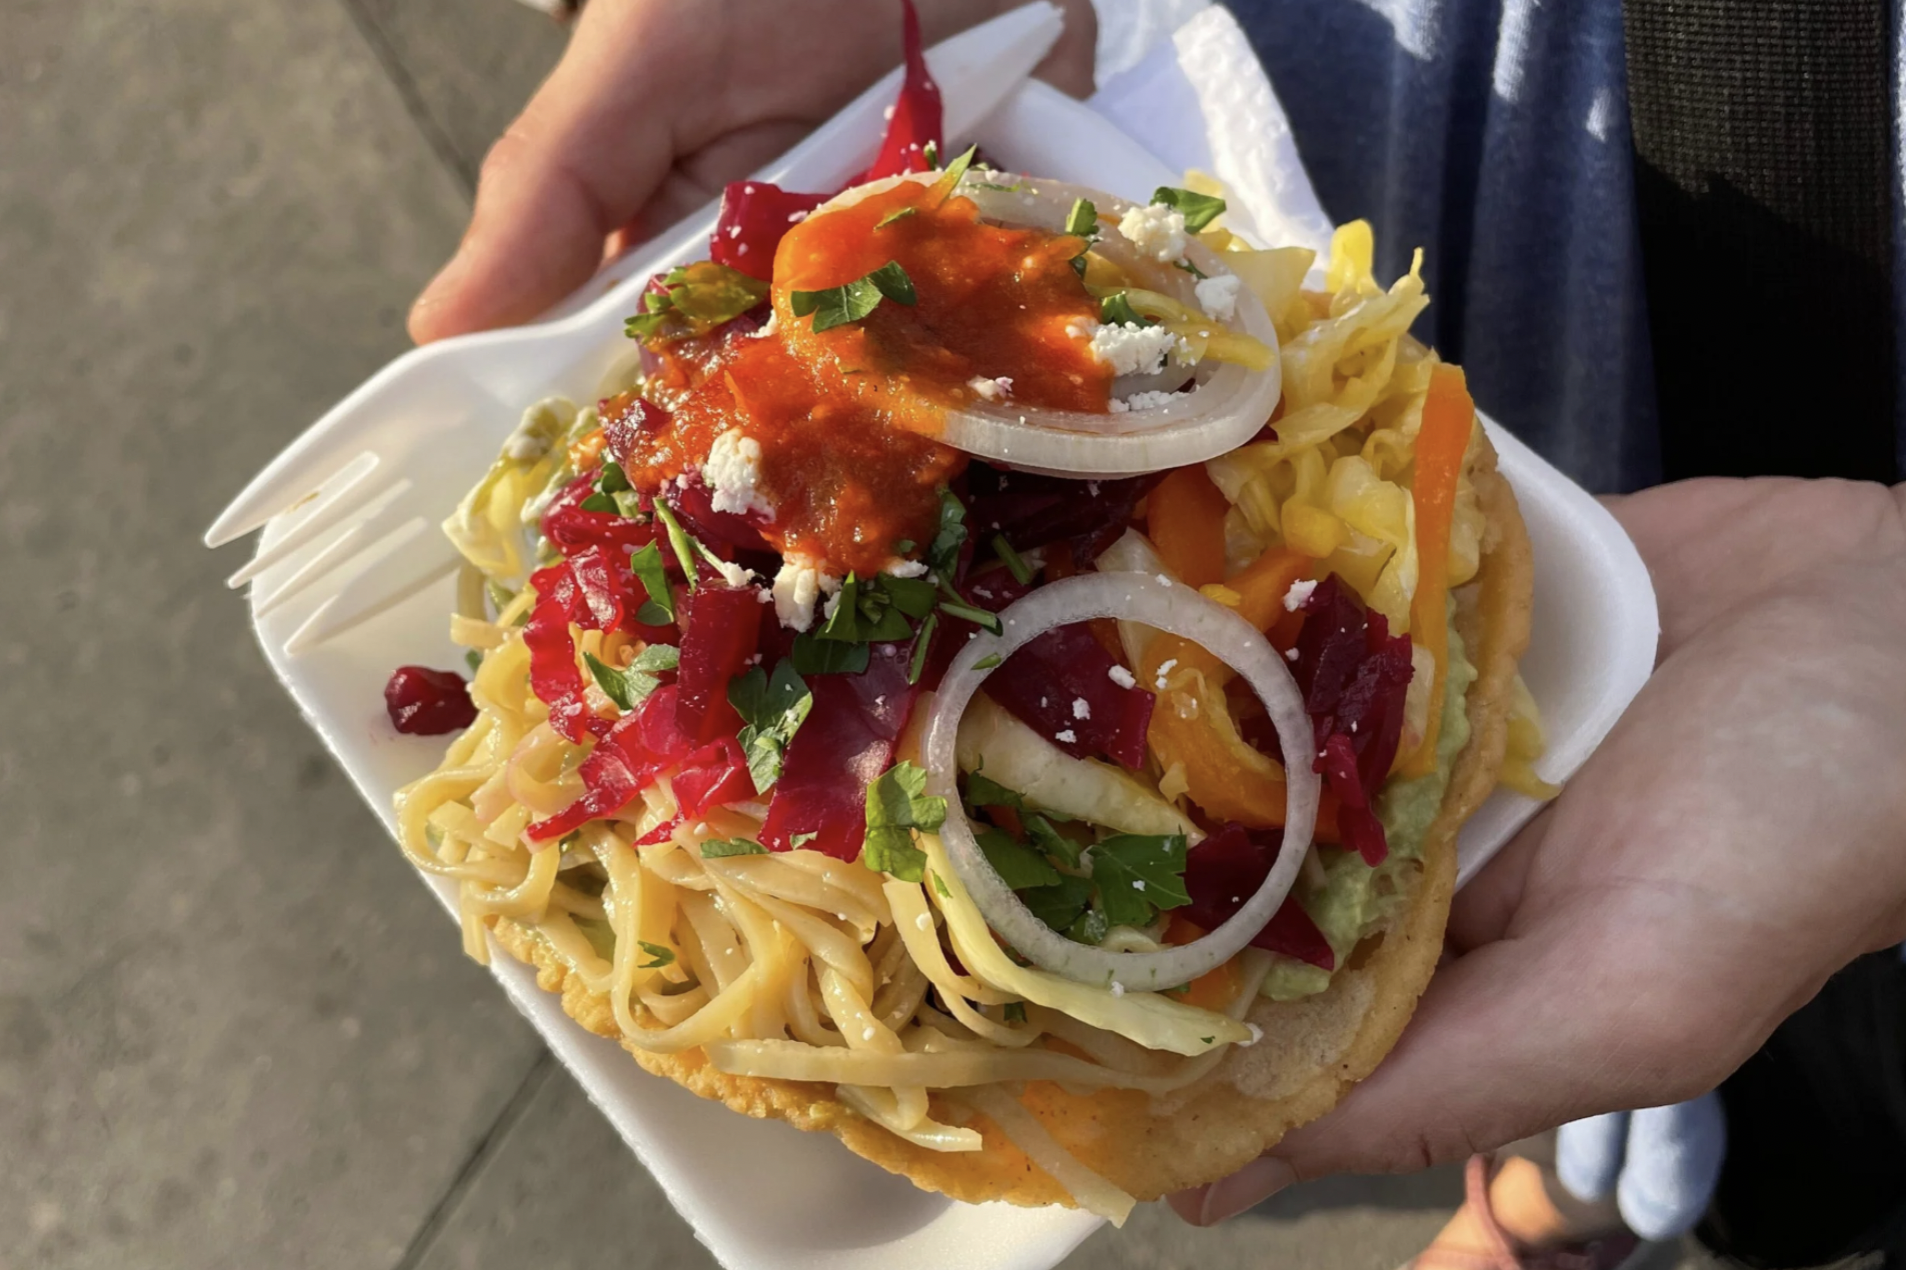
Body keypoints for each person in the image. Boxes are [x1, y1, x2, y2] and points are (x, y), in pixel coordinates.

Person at [406, 2, 1906, 1262]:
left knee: (1702, 1010)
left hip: (1730, 408)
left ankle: (1579, 1191)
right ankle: (1573, 1183)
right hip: (1181, 156)